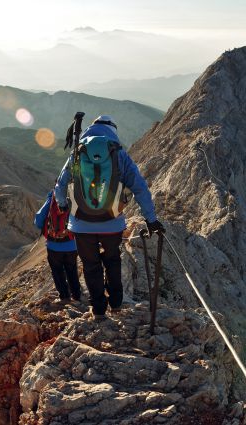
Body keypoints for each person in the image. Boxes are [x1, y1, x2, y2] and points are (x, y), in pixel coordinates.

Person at [55, 115, 164, 320]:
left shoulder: (77, 153)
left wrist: (63, 206)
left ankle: (98, 310)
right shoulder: (119, 154)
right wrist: (150, 219)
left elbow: (60, 187)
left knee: (91, 266)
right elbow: (139, 187)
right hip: (112, 222)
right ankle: (115, 304)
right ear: (113, 131)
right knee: (112, 261)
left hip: (81, 224)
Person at [34, 189, 82, 304]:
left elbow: (38, 221)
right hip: (72, 245)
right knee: (72, 269)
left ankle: (64, 297)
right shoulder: (75, 198)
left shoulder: (51, 200)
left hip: (53, 246)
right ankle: (76, 295)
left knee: (57, 271)